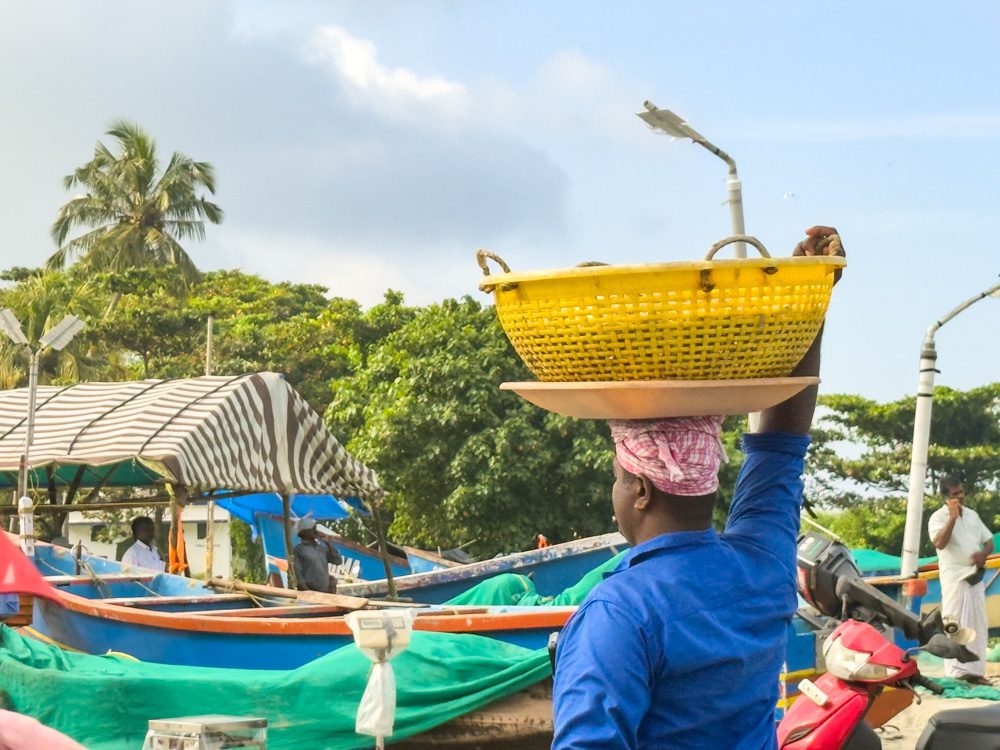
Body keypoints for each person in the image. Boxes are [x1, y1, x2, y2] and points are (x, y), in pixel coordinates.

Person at [551, 226, 845, 750]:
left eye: (617, 479)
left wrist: (809, 299)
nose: (614, 494)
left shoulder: (619, 613)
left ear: (640, 489)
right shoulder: (761, 566)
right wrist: (808, 302)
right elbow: (780, 450)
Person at [928, 478, 994, 685]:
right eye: (954, 495)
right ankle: (956, 672)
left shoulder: (973, 515)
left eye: (961, 493)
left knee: (978, 623)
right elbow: (939, 543)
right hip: (954, 578)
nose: (959, 497)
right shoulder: (938, 517)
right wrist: (952, 519)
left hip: (974, 576)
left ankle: (975, 672)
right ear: (946, 498)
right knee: (955, 623)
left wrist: (983, 554)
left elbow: (989, 542)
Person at [292, 517, 343, 593]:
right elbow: (298, 574)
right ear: (304, 532)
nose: (315, 531)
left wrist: (328, 543)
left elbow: (338, 561)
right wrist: (307, 592)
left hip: (325, 592)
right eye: (313, 529)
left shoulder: (321, 548)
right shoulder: (298, 550)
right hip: (310, 594)